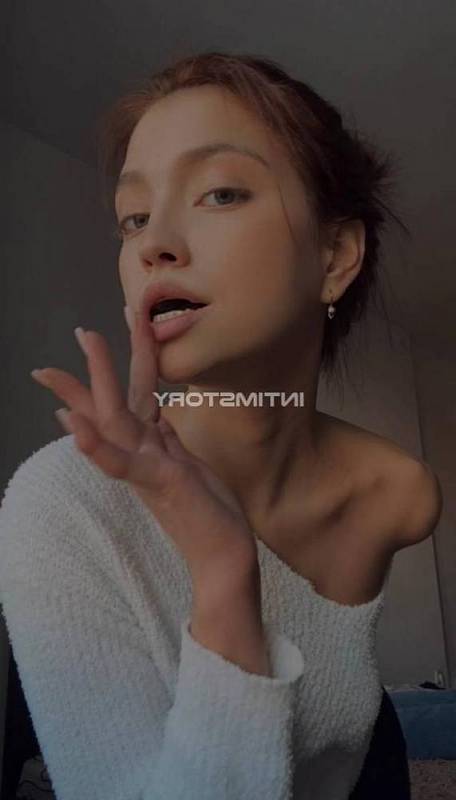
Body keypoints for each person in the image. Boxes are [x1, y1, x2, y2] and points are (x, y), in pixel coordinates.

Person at [0, 51, 442, 800]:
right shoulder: (63, 501)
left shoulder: (397, 493)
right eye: (134, 217)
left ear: (336, 256)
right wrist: (223, 573)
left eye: (220, 193)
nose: (153, 244)